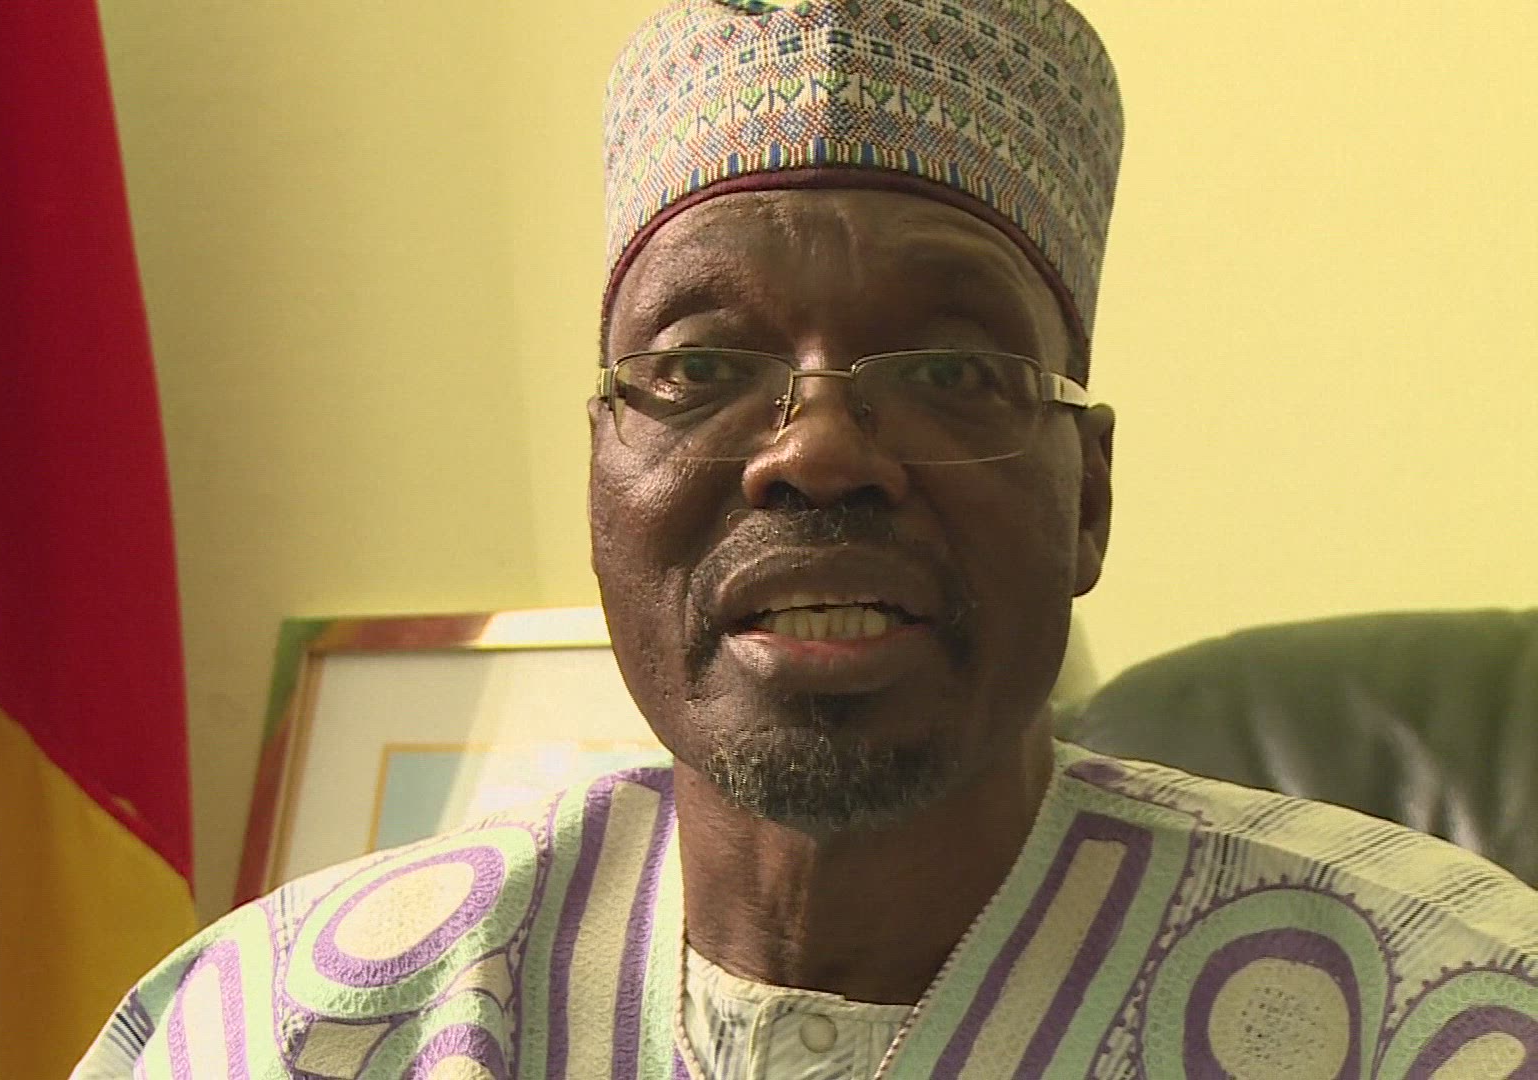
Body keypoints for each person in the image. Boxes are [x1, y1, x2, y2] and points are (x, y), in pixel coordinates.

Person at [74, 1, 1538, 1076]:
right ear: (603, 478)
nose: (818, 451)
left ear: (1086, 497)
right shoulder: (286, 1030)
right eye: (701, 367)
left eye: (952, 368)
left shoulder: (1449, 1021)